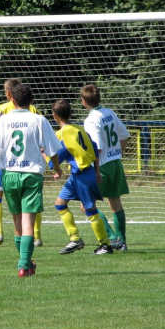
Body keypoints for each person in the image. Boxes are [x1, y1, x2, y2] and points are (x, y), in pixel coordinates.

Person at [0, 84, 63, 277]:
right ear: (32, 101)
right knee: (28, 222)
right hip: (32, 174)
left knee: (18, 222)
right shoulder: (39, 120)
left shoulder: (4, 120)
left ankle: (26, 264)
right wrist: (57, 168)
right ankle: (23, 265)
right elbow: (53, 150)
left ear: (12, 100)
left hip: (9, 173)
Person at [50, 99, 113, 255]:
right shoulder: (80, 129)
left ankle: (105, 245)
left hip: (83, 175)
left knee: (90, 209)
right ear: (71, 113)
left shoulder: (62, 134)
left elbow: (54, 160)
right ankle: (75, 239)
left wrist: (44, 153)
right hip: (81, 173)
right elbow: (94, 149)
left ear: (54, 116)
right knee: (60, 203)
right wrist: (97, 172)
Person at [0, 78, 45, 248]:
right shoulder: (33, 109)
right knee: (31, 203)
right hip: (30, 163)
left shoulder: (2, 109)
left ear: (8, 94)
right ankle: (36, 236)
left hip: (8, 164)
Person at [81, 84, 130, 251]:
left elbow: (97, 147)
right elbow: (124, 136)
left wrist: (92, 169)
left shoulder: (91, 120)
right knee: (115, 203)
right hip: (116, 163)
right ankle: (122, 242)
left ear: (83, 101)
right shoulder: (110, 112)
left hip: (102, 166)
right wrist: (117, 154)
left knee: (86, 204)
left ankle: (111, 237)